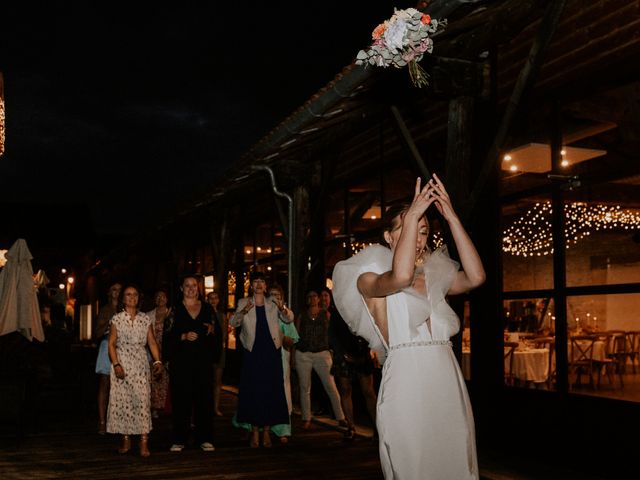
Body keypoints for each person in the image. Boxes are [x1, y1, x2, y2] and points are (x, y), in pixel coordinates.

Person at [332, 174, 486, 480]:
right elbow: (400, 277)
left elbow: (476, 277)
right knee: (413, 465)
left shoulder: (434, 276)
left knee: (455, 463)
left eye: (424, 231)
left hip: (447, 380)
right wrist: (414, 213)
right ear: (389, 237)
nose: (419, 238)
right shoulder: (367, 277)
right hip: (406, 381)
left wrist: (452, 217)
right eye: (411, 229)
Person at [230, 272, 293, 448]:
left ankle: (266, 432)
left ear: (265, 287)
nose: (258, 285)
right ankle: (255, 433)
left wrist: (282, 308)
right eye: (255, 282)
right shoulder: (243, 302)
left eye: (262, 282)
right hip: (252, 353)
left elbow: (289, 319)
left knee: (270, 392)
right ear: (251, 286)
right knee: (253, 392)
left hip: (271, 353)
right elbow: (233, 323)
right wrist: (243, 311)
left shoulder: (273, 303)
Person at [163, 275, 221, 453]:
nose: (190, 288)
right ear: (181, 288)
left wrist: (212, 331)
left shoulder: (208, 309)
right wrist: (183, 336)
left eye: (194, 285)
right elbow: (166, 337)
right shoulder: (174, 310)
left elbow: (218, 334)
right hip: (181, 363)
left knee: (204, 401)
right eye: (187, 285)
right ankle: (179, 439)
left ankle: (205, 438)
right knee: (181, 401)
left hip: (202, 363)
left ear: (199, 288)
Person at [106, 284, 163, 457]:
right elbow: (111, 343)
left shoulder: (145, 319)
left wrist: (157, 361)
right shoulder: (117, 319)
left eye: (135, 294)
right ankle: (125, 439)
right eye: (128, 294)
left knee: (142, 400)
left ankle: (144, 441)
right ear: (123, 299)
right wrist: (116, 364)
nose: (132, 297)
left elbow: (152, 342)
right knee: (124, 401)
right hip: (122, 363)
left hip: (140, 364)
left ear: (139, 298)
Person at [324, 286, 377, 441]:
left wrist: (366, 352)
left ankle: (377, 428)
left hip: (362, 353)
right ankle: (351, 427)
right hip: (343, 355)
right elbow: (332, 336)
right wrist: (342, 354)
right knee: (345, 390)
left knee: (368, 392)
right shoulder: (337, 312)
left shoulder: (363, 309)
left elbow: (370, 330)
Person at [294, 290, 346, 430]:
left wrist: (333, 349)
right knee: (305, 387)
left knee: (330, 385)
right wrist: (295, 352)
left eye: (314, 296)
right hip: (304, 354)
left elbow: (332, 333)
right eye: (309, 296)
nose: (312, 298)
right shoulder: (302, 315)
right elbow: (296, 334)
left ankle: (340, 416)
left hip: (322, 353)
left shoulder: (325, 314)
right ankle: (306, 417)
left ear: (318, 299)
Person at [94, 281, 122, 435]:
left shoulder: (126, 309)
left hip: (122, 347)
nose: (117, 292)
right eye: (114, 289)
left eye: (119, 290)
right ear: (110, 292)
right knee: (105, 382)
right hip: (106, 347)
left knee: (120, 384)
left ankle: (117, 420)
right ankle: (102, 421)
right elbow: (97, 333)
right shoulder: (105, 310)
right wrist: (108, 325)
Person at [147, 289, 172, 419]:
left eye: (163, 296)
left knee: (167, 379)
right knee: (154, 379)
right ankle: (154, 407)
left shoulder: (172, 313)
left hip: (168, 351)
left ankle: (167, 406)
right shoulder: (149, 315)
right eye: (158, 297)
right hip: (153, 350)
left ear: (167, 299)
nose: (160, 299)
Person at [206, 291, 228, 417]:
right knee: (207, 380)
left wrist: (220, 346)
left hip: (219, 350)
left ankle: (216, 407)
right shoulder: (205, 314)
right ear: (207, 300)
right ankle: (207, 407)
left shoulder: (222, 316)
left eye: (215, 298)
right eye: (211, 298)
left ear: (218, 300)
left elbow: (224, 335)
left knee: (218, 380)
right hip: (207, 351)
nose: (213, 300)